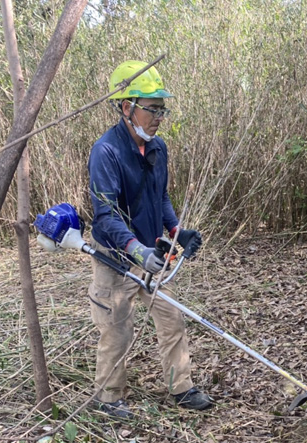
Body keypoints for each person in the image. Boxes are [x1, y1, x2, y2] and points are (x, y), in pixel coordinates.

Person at [86, 60, 212, 418]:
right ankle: (108, 398)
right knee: (116, 329)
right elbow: (105, 215)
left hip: (151, 254)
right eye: (152, 109)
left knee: (172, 318)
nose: (159, 117)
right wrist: (135, 250)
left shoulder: (158, 148)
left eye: (162, 109)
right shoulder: (106, 151)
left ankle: (182, 387)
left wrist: (176, 231)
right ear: (126, 108)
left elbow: (161, 197)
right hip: (116, 257)